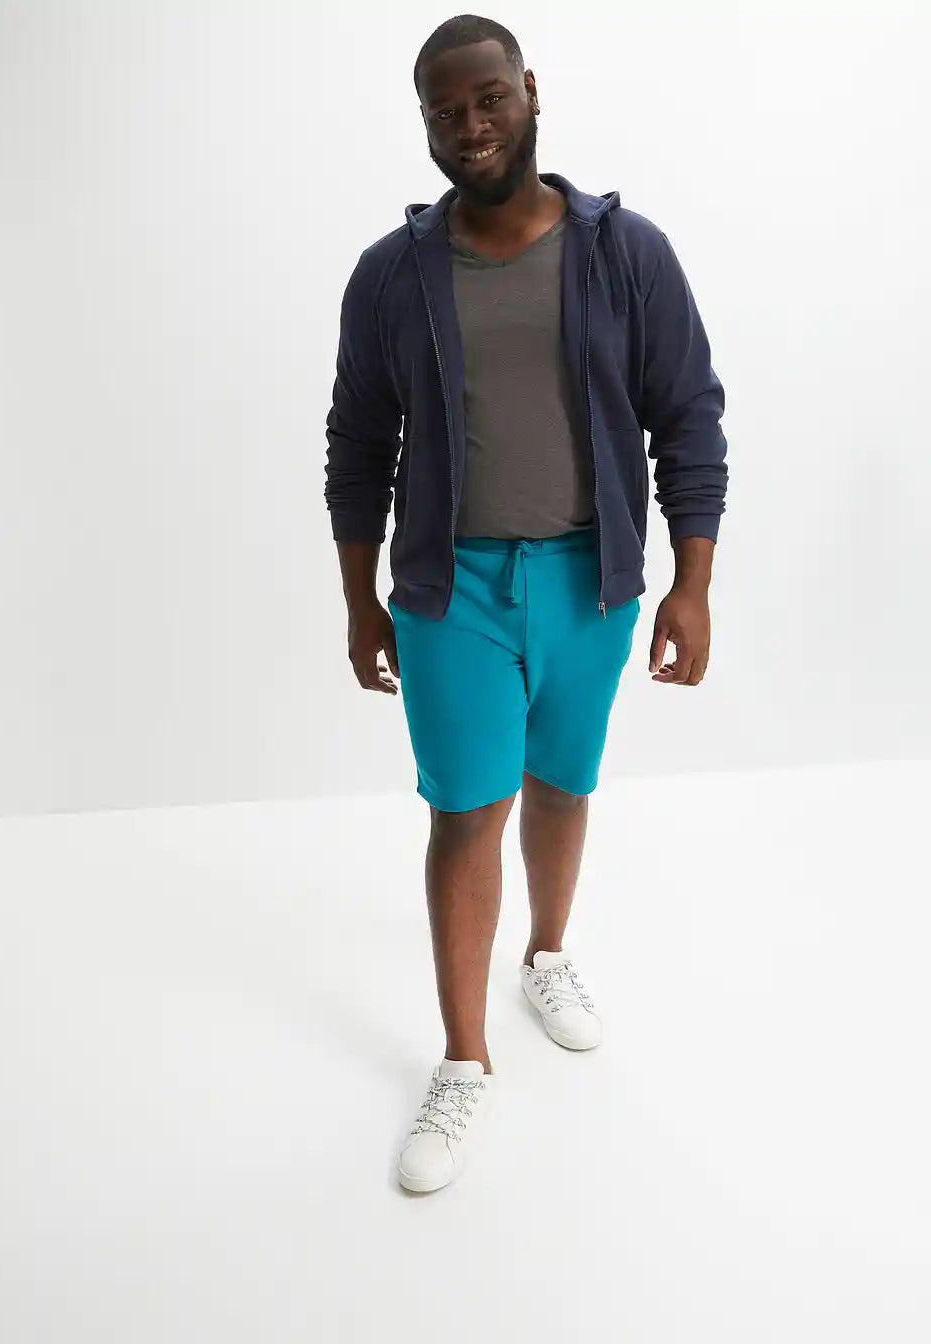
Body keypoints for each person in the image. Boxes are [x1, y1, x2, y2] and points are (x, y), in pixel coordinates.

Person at [324, 14, 728, 1193]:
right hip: (449, 592)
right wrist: (360, 601)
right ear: (426, 124)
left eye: (488, 98)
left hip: (591, 582)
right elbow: (357, 444)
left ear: (529, 90)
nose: (471, 125)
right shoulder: (394, 274)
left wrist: (693, 585)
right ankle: (463, 1060)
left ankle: (546, 955)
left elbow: (688, 415)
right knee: (467, 813)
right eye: (444, 111)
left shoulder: (624, 253)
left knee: (562, 784)